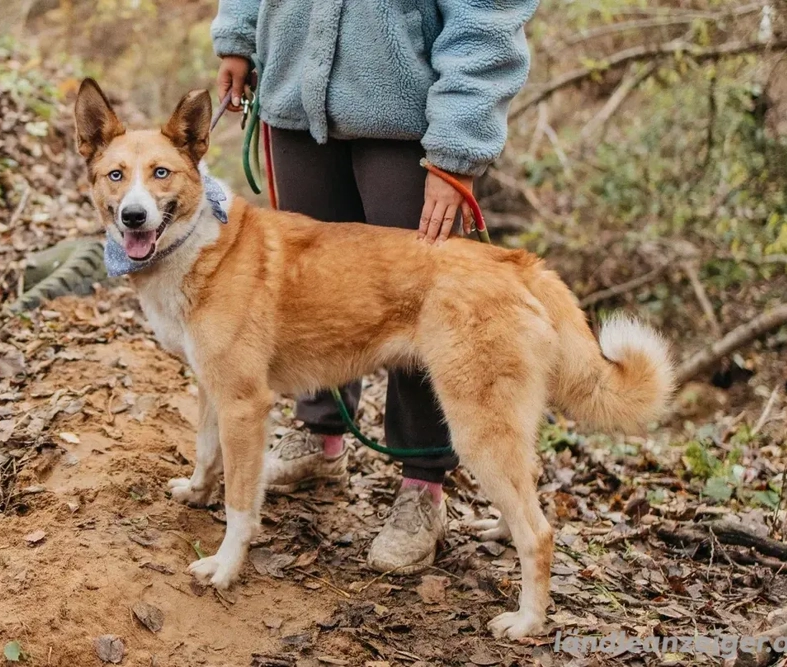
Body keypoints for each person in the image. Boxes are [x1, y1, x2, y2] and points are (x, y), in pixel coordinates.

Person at [211, 0, 540, 574]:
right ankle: (320, 436)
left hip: (408, 115)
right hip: (293, 99)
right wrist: (240, 35)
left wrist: (456, 152)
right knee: (307, 292)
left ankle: (422, 485)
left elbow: (489, 17)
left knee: (424, 307)